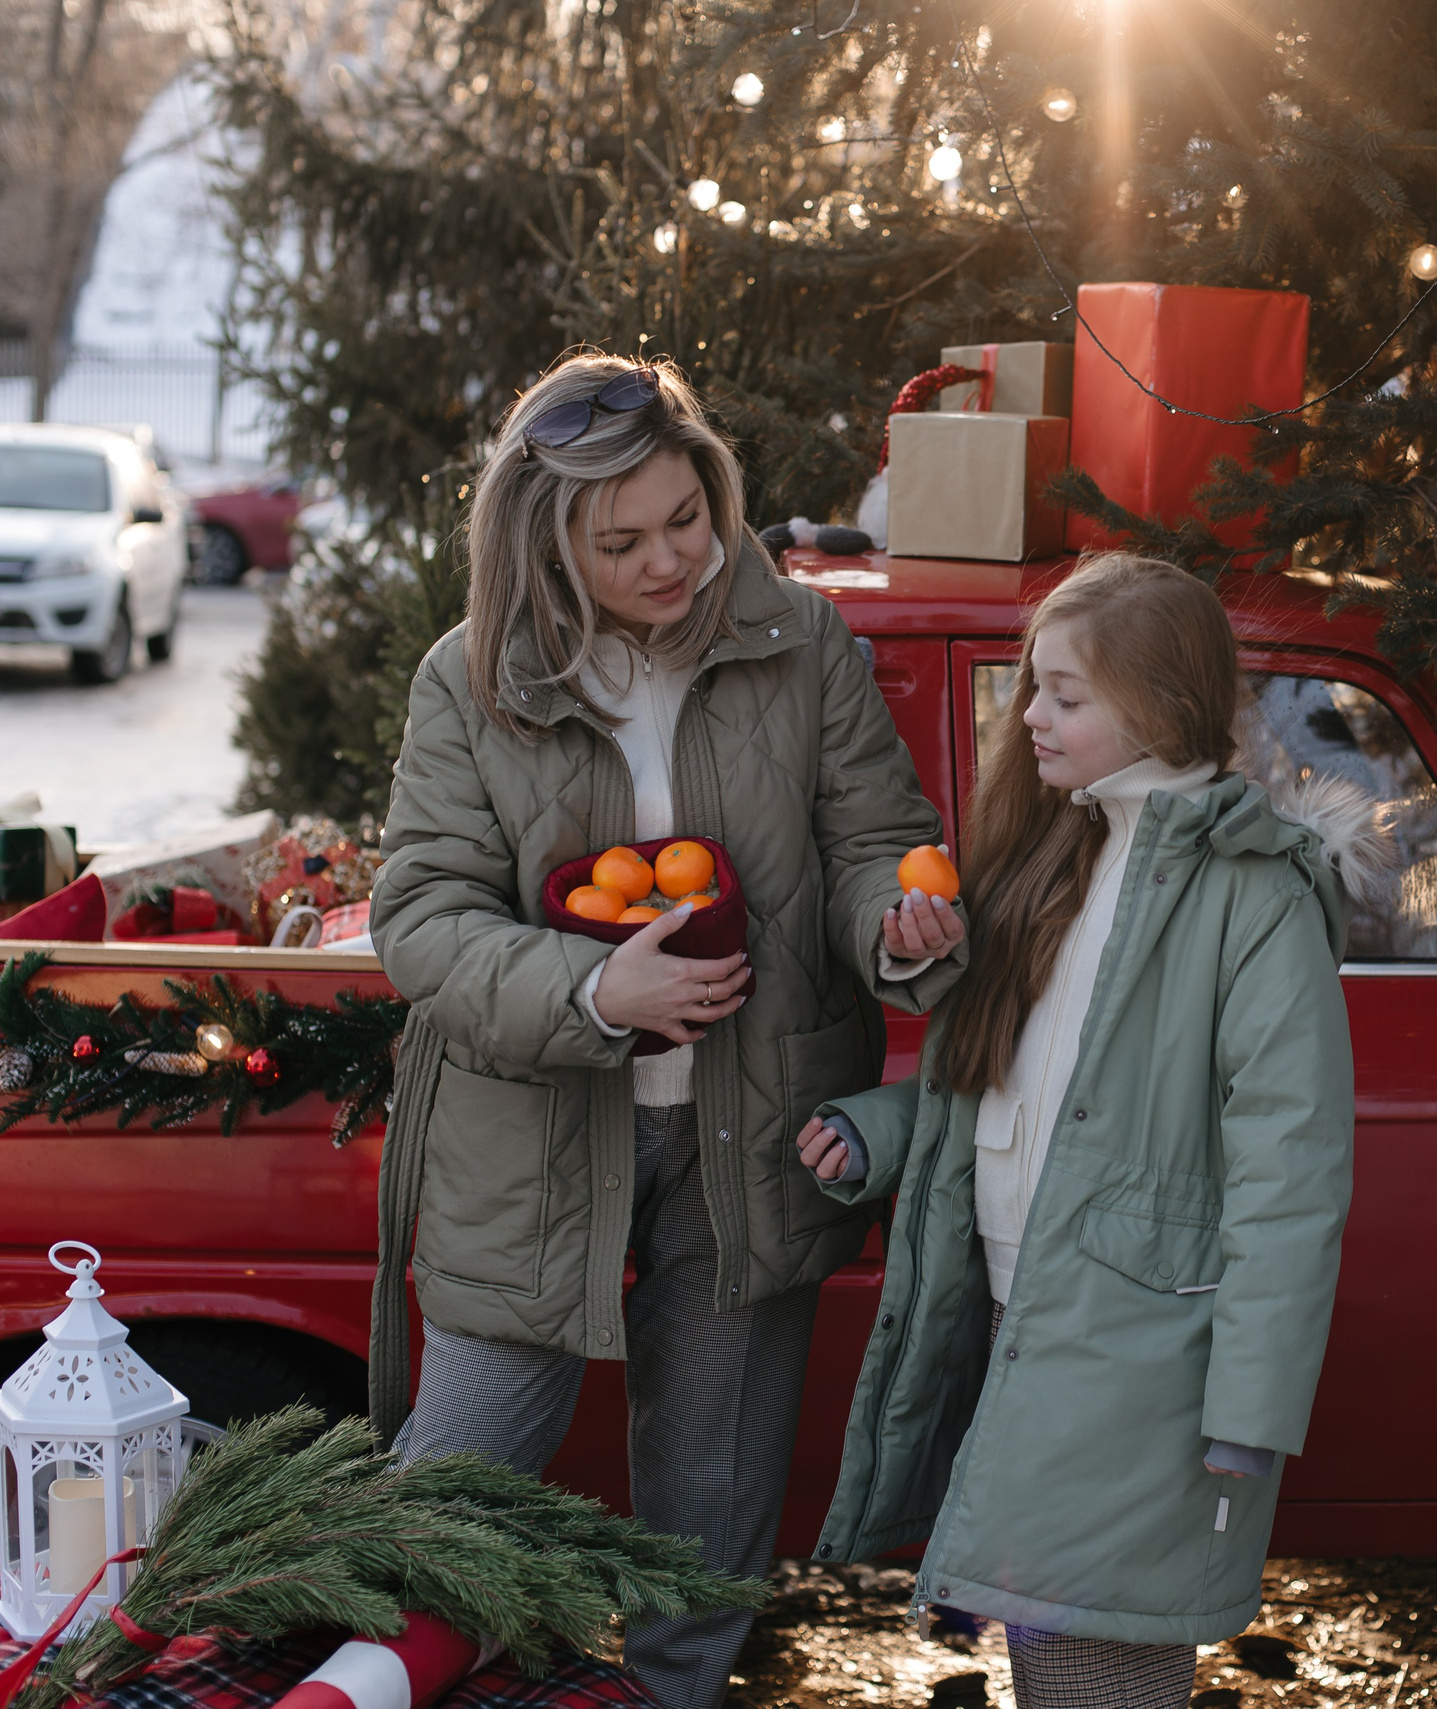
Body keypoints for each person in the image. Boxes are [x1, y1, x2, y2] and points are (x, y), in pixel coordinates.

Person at [368, 354, 967, 1709]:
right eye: (618, 541)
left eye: (686, 521)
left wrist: (897, 926)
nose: (668, 562)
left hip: (748, 1132)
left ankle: (673, 1699)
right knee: (457, 1473)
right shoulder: (470, 677)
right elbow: (422, 913)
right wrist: (593, 995)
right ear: (546, 544)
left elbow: (875, 841)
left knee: (713, 1481)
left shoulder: (797, 640)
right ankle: (369, 1685)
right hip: (533, 1131)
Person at [792, 554, 1382, 1709]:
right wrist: (885, 1128)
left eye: (1065, 694)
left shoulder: (1253, 896)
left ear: (1159, 705)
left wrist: (1250, 1411)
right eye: (1031, 686)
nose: (1032, 715)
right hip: (1025, 1311)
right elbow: (1021, 1085)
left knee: (1096, 1667)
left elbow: (1290, 1173)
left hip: (1145, 1349)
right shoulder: (1057, 848)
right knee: (1046, 1654)